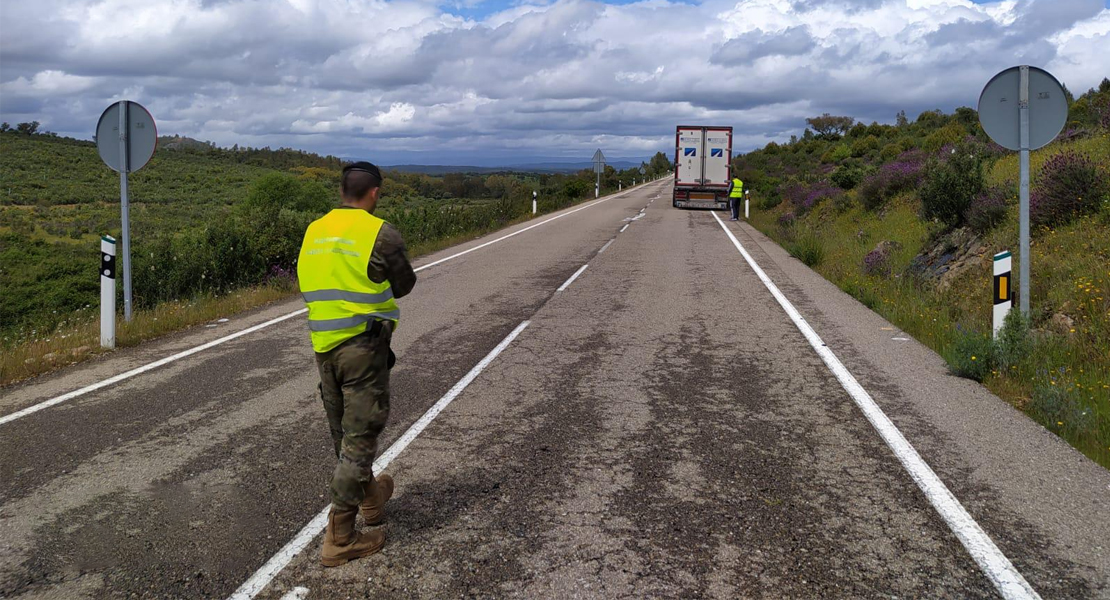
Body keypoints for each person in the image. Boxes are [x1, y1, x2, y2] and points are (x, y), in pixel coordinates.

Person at [297, 161, 417, 567]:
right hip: (362, 348)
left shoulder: (314, 231)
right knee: (360, 438)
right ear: (374, 193)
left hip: (323, 347)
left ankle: (372, 501)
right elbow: (404, 284)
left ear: (342, 191)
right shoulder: (377, 232)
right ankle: (340, 538)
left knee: (345, 436)